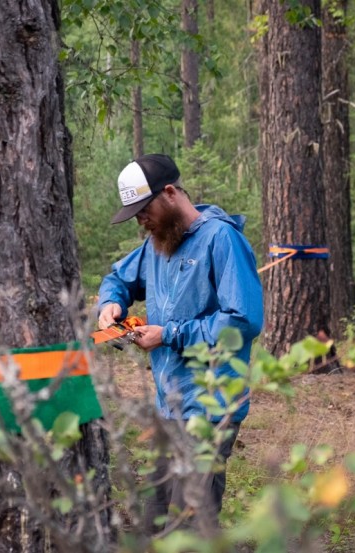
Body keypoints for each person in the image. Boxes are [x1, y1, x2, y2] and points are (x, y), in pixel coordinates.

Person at [97, 153, 263, 530]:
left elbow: (244, 321)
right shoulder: (157, 243)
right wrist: (111, 304)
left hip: (210, 407)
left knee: (189, 525)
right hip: (169, 407)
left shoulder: (222, 240)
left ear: (169, 193)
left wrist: (169, 334)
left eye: (144, 209)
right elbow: (118, 279)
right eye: (135, 213)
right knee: (156, 519)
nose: (141, 221)